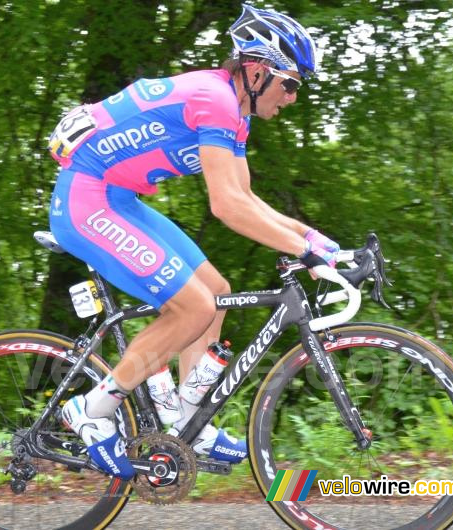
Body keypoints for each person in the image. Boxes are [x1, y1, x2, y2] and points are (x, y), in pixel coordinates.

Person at [47, 4, 339, 479]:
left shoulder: (236, 114)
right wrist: (303, 253)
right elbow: (225, 206)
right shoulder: (216, 100)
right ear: (258, 70)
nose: (292, 98)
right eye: (292, 84)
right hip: (87, 199)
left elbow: (247, 198)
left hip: (116, 198)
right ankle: (92, 409)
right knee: (193, 308)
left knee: (215, 292)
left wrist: (312, 238)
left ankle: (186, 420)